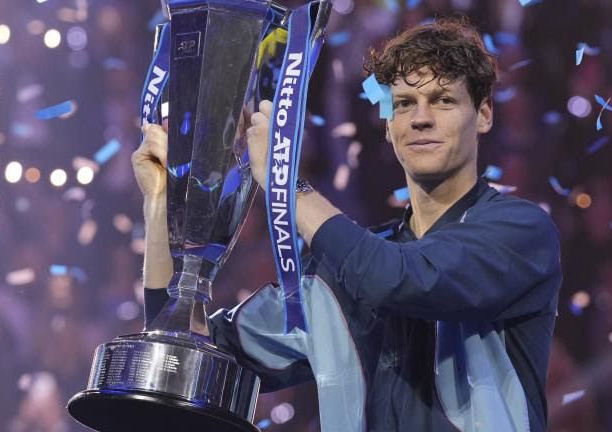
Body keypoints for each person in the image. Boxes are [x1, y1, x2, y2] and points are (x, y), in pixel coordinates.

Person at [134, 16, 562, 432]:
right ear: (388, 125)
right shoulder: (338, 273)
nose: (421, 118)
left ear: (484, 114)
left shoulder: (520, 232)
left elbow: (402, 280)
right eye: (404, 103)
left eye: (444, 100)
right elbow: (190, 349)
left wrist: (283, 182)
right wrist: (160, 206)